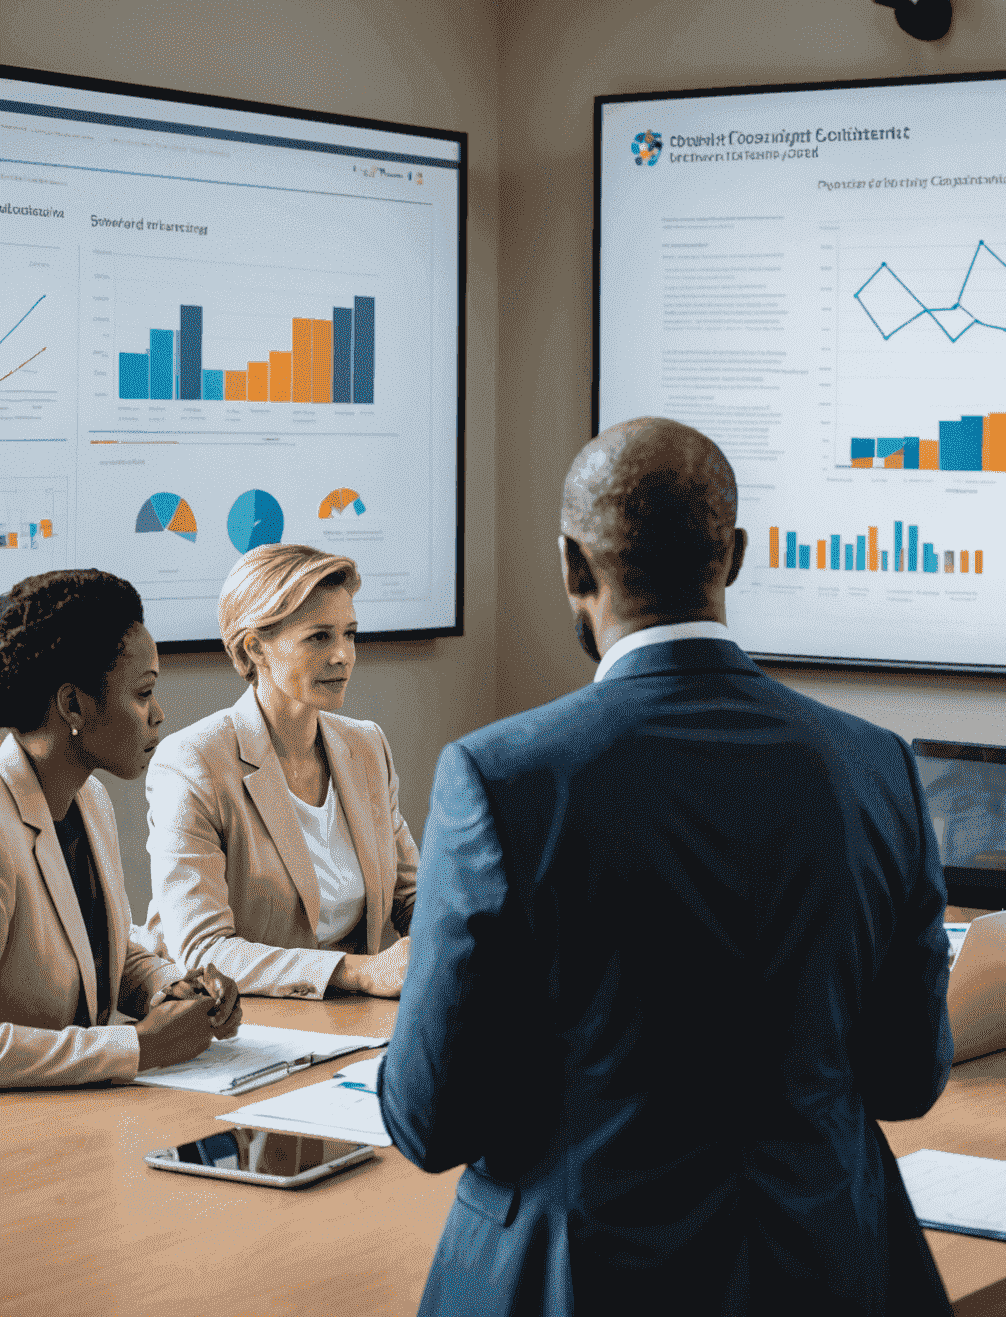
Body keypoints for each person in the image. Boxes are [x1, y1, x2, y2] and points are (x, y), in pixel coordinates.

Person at [380, 417, 954, 1316]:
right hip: (830, 1268)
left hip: (582, 1281)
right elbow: (908, 1080)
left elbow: (428, 1120)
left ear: (574, 566)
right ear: (733, 556)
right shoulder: (877, 767)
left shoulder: (501, 779)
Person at [0, 569, 240, 1087]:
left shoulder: (88, 797)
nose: (157, 715)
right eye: (142, 693)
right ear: (73, 705)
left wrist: (175, 985)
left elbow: (95, 947)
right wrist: (139, 1046)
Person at [144, 545, 417, 999]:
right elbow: (202, 950)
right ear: (256, 648)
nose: (343, 656)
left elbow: (411, 897)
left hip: (361, 1015)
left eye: (349, 634)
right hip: (248, 1028)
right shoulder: (192, 762)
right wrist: (358, 971)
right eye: (319, 637)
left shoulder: (366, 745)